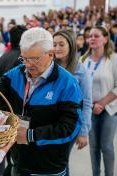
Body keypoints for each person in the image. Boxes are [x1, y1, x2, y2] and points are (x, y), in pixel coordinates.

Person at [0, 27, 83, 175]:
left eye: (35, 59)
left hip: (48, 168)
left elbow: (70, 127)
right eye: (24, 58)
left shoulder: (67, 84)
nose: (28, 64)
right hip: (18, 161)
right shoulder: (17, 73)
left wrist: (30, 135)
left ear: (50, 54)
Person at [53, 29, 92, 176]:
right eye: (54, 44)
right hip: (49, 123)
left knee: (61, 161)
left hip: (70, 124)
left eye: (61, 44)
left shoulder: (81, 70)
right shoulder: (49, 67)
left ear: (71, 45)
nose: (57, 48)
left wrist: (84, 132)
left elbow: (87, 102)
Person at [80, 26, 117, 176]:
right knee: (94, 147)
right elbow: (79, 86)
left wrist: (101, 103)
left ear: (106, 39)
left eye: (96, 36)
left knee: (106, 146)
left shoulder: (113, 59)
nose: (92, 39)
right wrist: (89, 105)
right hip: (89, 109)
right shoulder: (83, 60)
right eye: (90, 36)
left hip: (109, 108)